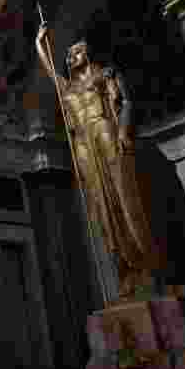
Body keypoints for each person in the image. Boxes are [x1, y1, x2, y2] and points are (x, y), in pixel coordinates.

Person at [35, 22, 157, 300]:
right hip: (83, 147)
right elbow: (49, 69)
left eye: (76, 53)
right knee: (102, 209)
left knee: (124, 198)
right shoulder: (67, 87)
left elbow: (125, 102)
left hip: (105, 131)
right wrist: (39, 43)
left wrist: (124, 131)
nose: (70, 58)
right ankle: (125, 270)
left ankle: (148, 262)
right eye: (68, 56)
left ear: (87, 53)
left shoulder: (103, 75)